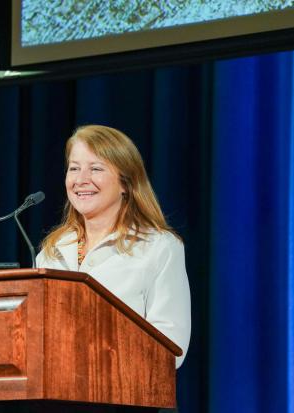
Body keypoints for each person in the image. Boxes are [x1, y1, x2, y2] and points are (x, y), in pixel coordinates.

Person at [36, 125, 191, 368]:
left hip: (131, 398)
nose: (81, 180)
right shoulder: (52, 251)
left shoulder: (158, 247)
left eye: (96, 168)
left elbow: (172, 348)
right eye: (74, 168)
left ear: (126, 184)